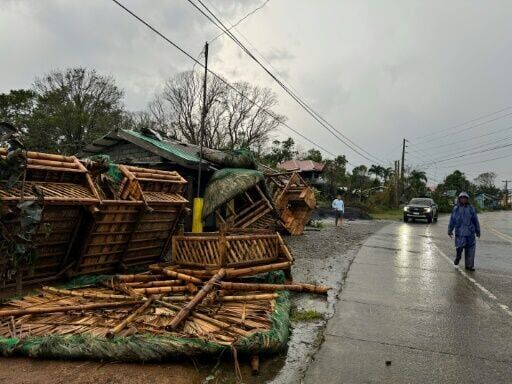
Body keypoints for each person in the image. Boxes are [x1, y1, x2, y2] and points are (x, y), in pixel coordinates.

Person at [448, 191, 481, 271]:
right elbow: (452, 220)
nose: (463, 199)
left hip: (470, 232)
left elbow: (475, 220)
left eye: (465, 198)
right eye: (462, 198)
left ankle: (469, 265)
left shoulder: (471, 208)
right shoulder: (456, 209)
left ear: (467, 199)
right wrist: (450, 230)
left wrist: (477, 231)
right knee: (460, 247)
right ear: (459, 199)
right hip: (460, 232)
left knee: (471, 249)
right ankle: (458, 257)